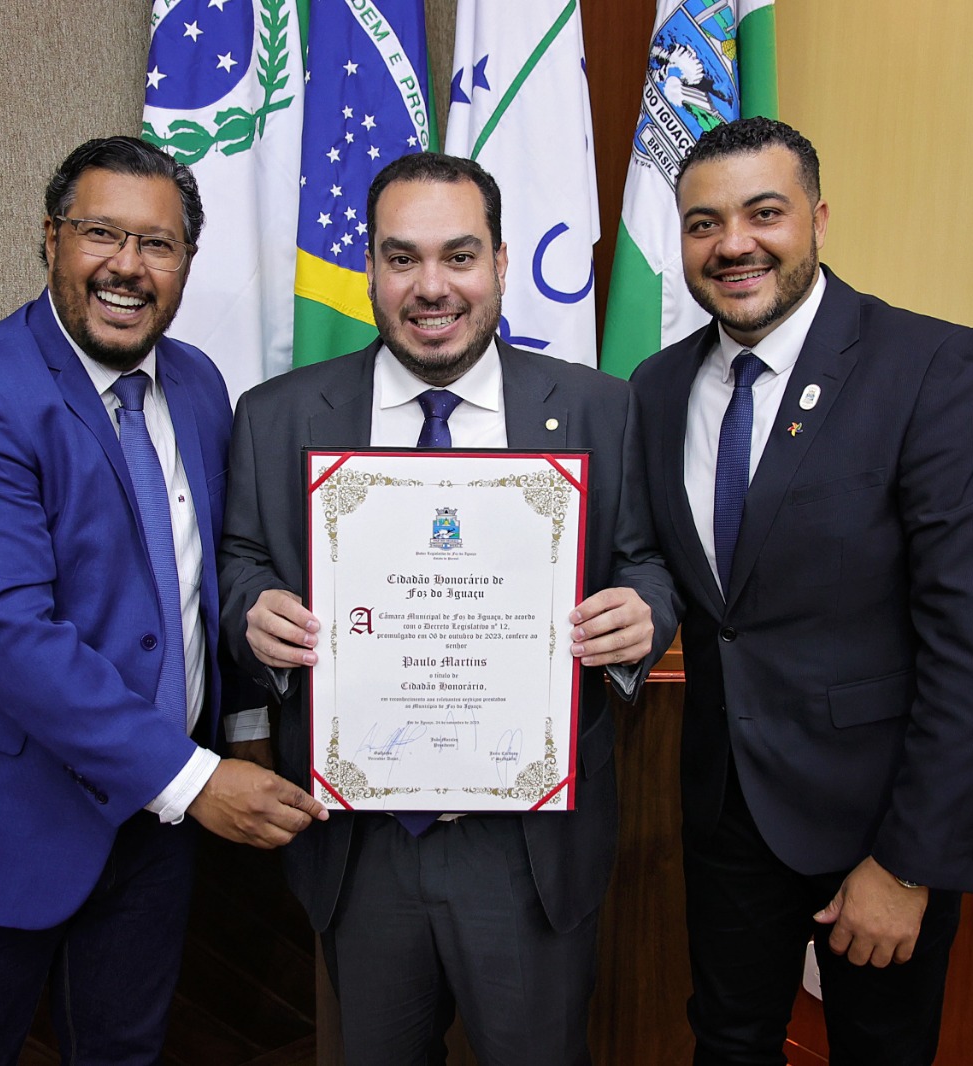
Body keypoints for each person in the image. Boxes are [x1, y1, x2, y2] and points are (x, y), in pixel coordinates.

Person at [0, 136, 326, 1065]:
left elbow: (203, 576)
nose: (127, 266)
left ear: (186, 261)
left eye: (159, 244)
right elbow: (7, 631)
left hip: (153, 829)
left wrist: (246, 725)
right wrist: (192, 780)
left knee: (123, 1052)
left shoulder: (195, 383)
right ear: (50, 238)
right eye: (101, 233)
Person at [218, 152, 679, 1065]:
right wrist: (252, 612)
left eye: (460, 256)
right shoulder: (276, 415)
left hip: (530, 845)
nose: (432, 287)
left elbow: (648, 563)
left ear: (502, 263)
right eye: (403, 258)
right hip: (358, 841)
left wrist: (644, 616)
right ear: (370, 270)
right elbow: (239, 559)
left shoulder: (599, 408)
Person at [629, 116, 973, 1065]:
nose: (734, 244)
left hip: (880, 825)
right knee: (727, 1043)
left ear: (816, 218)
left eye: (763, 213)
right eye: (703, 223)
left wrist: (908, 864)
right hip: (727, 812)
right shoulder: (653, 390)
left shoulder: (934, 369)